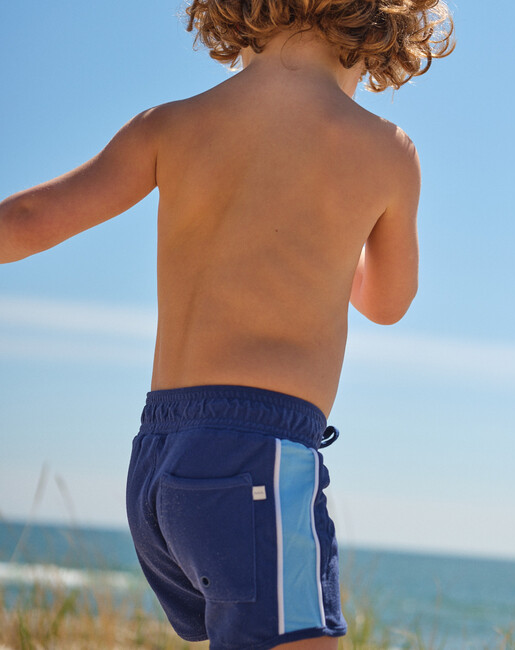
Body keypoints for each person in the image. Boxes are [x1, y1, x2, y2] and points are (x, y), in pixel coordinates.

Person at [0, 0, 454, 646]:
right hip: (256, 456)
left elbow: (27, 222)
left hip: (160, 463)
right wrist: (332, 237)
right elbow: (388, 302)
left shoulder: (172, 124)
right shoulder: (385, 150)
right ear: (383, 30)